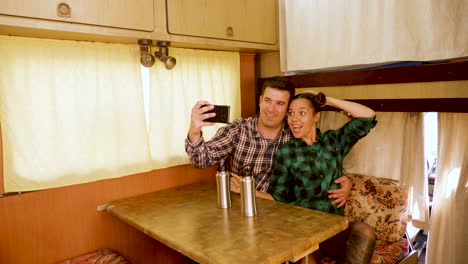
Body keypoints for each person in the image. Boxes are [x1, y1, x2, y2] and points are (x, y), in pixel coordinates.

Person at [231, 92, 377, 263]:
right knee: (306, 257)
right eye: (291, 113)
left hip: (334, 228)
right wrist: (245, 189)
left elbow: (368, 117)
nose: (294, 119)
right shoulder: (287, 152)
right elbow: (278, 198)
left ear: (316, 116)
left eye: (302, 113)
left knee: (365, 232)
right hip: (303, 232)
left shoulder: (334, 141)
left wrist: (327, 100)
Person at [185, 76, 351, 207]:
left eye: (279, 103)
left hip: (281, 212)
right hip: (240, 207)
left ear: (288, 109)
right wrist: (195, 129)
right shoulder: (238, 129)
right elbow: (201, 161)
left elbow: (324, 158)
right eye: (267, 101)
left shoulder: (296, 132)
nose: (271, 109)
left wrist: (346, 181)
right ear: (260, 100)